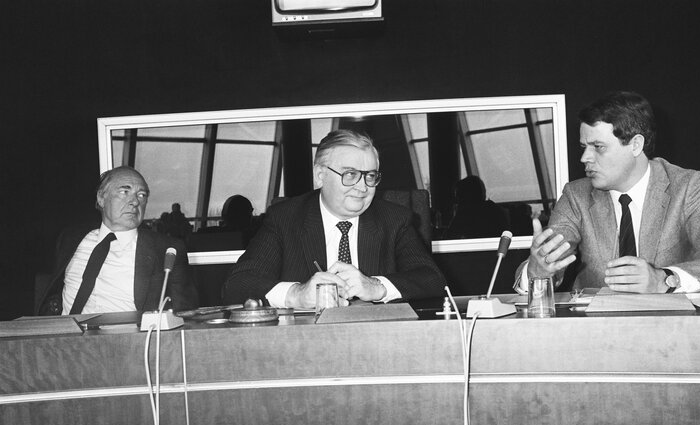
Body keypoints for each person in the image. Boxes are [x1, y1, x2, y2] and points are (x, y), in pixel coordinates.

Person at [514, 91, 700, 294]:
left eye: (599, 147)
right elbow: (551, 258)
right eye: (584, 147)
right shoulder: (576, 196)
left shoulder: (688, 186)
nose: (585, 158)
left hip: (675, 331)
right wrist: (537, 270)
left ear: (635, 145)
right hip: (595, 334)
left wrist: (664, 279)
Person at [222, 129, 446, 309]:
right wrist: (296, 295)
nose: (362, 187)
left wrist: (376, 287)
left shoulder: (394, 220)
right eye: (350, 174)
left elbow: (433, 281)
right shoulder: (285, 219)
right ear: (320, 176)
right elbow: (237, 285)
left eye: (370, 176)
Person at [37, 166, 199, 315]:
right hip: (66, 341)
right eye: (124, 192)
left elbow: (185, 313)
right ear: (101, 198)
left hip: (128, 342)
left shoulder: (165, 249)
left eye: (141, 195)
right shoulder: (70, 239)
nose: (135, 201)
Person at [444, 175, 512, 239]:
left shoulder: (466, 215)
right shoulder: (496, 210)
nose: (457, 202)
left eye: (459, 197)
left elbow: (449, 237)